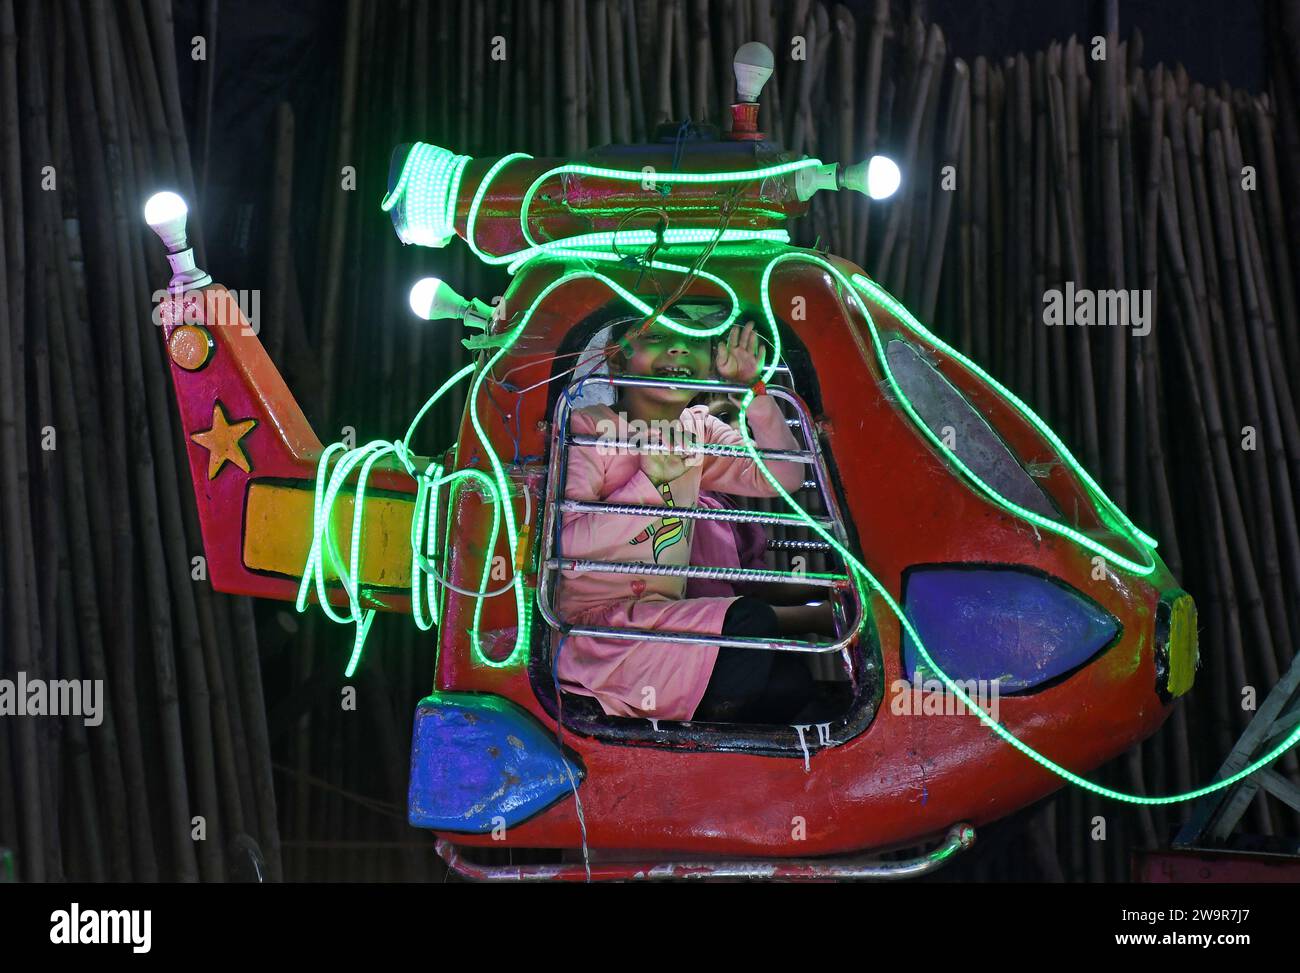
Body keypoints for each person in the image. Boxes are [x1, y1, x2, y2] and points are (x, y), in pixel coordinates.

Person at [555, 317, 812, 724]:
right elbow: (565, 545)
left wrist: (755, 395)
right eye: (656, 337)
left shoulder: (698, 429)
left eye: (693, 340)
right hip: (601, 639)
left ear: (709, 366)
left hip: (662, 626)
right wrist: (649, 485)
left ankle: (692, 725)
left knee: (793, 681)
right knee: (751, 622)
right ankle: (694, 726)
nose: (677, 349)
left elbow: (785, 476)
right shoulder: (589, 429)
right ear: (616, 363)